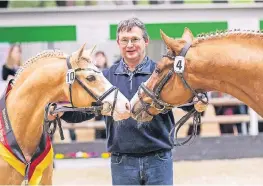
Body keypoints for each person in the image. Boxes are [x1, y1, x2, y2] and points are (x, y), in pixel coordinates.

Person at [50, 17, 192, 185]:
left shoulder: (161, 74)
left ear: (146, 41)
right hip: (122, 161)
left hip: (158, 159)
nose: (129, 45)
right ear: (118, 43)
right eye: (124, 40)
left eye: (135, 39)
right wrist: (61, 112)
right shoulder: (106, 78)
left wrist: (195, 103)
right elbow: (87, 111)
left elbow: (183, 102)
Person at [94, 50, 109, 139]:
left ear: (105, 59)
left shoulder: (109, 71)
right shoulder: (93, 72)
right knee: (98, 128)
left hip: (108, 102)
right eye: (97, 57)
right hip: (97, 103)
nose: (99, 59)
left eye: (101, 57)